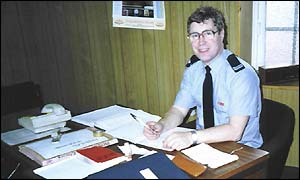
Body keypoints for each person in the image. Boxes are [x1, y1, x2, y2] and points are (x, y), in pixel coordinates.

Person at [143, 6, 263, 151]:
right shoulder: (193, 70)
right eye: (195, 35)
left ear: (221, 34)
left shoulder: (241, 75)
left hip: (241, 150)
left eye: (208, 33)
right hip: (203, 144)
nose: (201, 42)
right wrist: (161, 125)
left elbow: (235, 131)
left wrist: (191, 137)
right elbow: (179, 111)